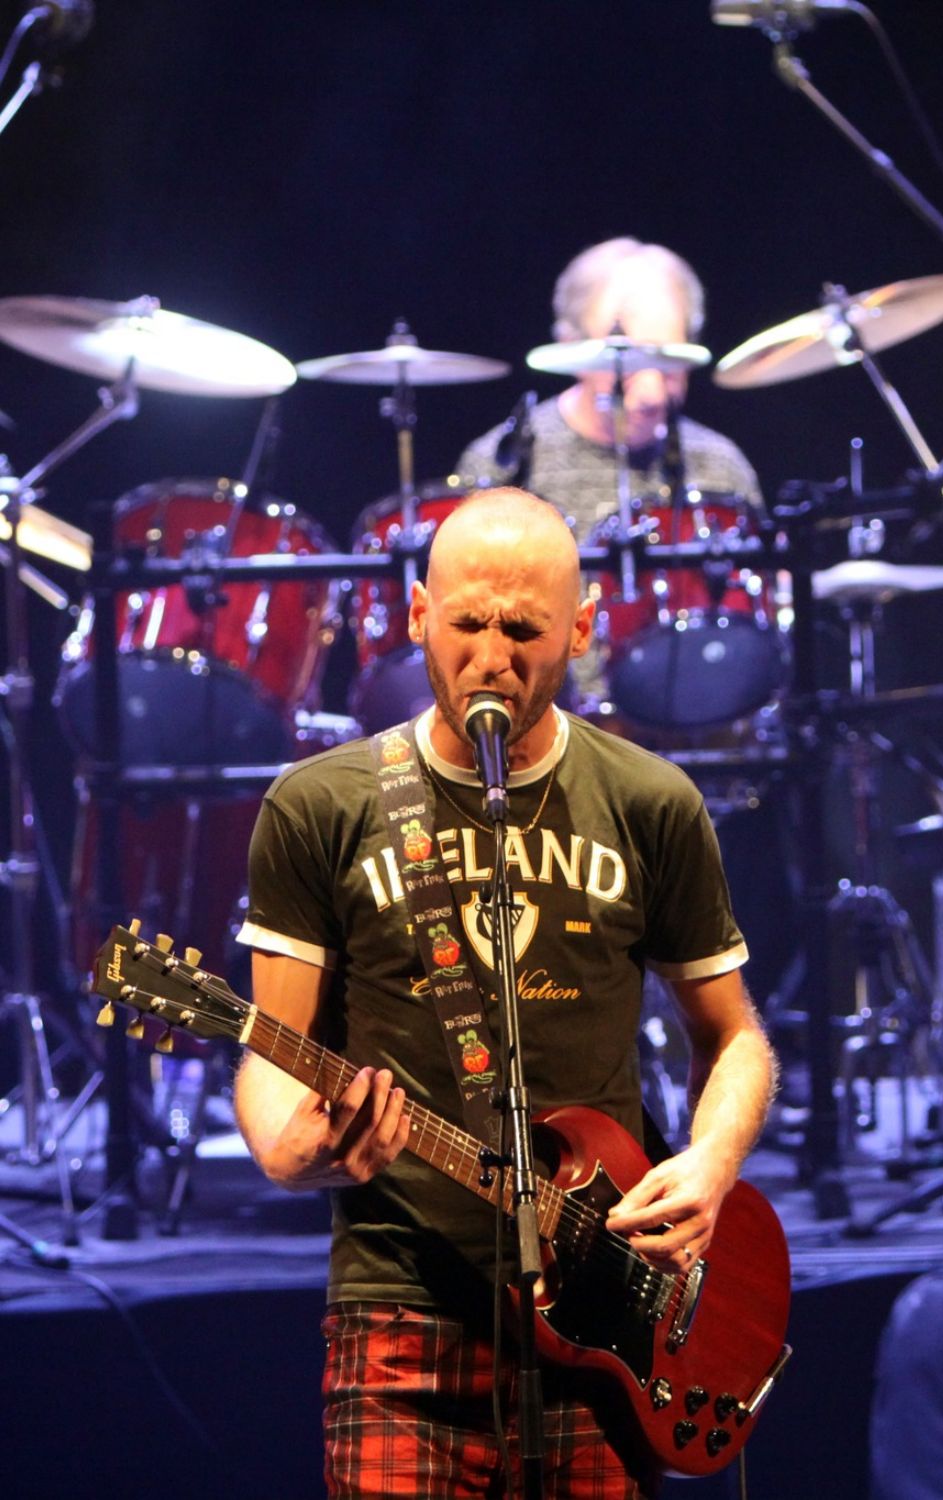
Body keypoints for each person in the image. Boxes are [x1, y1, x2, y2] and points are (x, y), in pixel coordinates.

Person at [233, 487, 777, 1499]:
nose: (491, 657)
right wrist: (292, 1148)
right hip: (403, 1311)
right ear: (416, 616)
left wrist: (710, 1164)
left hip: (610, 1312)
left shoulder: (650, 801)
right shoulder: (320, 806)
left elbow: (733, 1035)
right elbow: (275, 1051)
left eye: (524, 630)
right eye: (467, 624)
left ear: (580, 630)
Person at [455, 237, 762, 538]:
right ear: (571, 348)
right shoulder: (497, 469)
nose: (652, 394)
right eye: (628, 364)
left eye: (669, 363)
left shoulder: (722, 467)